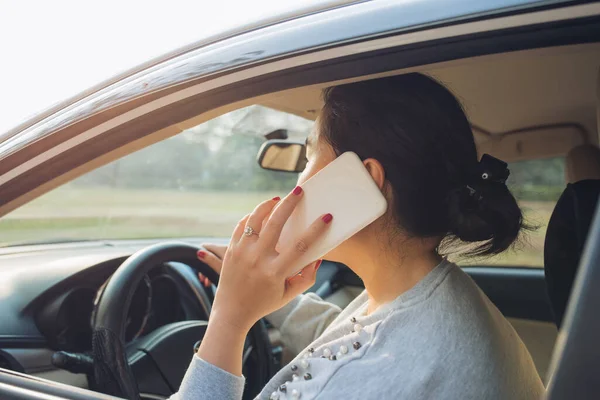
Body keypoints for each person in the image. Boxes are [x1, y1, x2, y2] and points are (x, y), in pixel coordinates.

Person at [172, 73, 544, 399]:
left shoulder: (378, 376)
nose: (298, 180)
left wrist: (229, 321)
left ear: (365, 178)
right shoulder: (429, 294)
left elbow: (358, 365)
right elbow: (353, 343)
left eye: (309, 159)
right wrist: (264, 297)